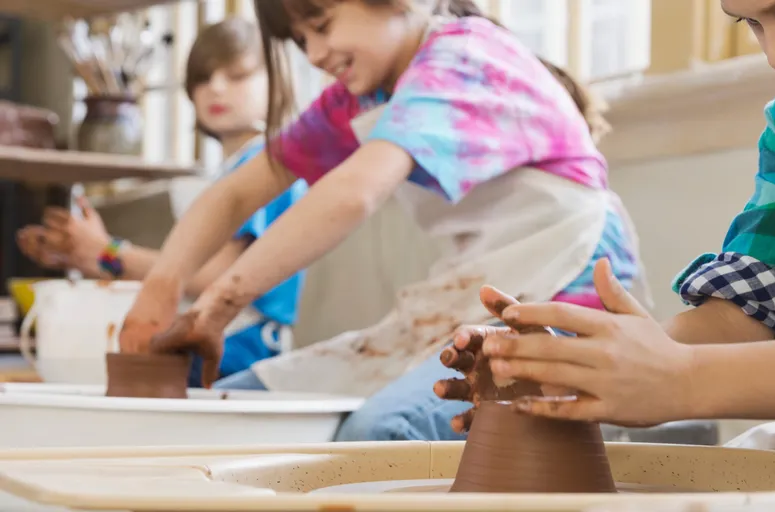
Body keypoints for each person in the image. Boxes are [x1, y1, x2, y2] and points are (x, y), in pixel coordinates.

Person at [435, 0, 775, 507]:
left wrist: (685, 380)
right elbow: (756, 296)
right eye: (751, 23)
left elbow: (687, 376)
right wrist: (596, 370)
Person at [114, 0, 650, 439]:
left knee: (379, 434)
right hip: (478, 308)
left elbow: (355, 191)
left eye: (320, 24)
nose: (316, 53)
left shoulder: (462, 56)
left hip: (566, 310)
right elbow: (237, 190)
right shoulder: (362, 98)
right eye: (301, 40)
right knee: (242, 412)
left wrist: (218, 304)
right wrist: (160, 288)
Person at [16, 18, 309, 388]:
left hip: (242, 348)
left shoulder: (267, 164)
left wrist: (107, 253)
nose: (216, 88)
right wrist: (91, 256)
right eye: (204, 78)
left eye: (237, 76)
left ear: (278, 81)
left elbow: (212, 278)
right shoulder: (230, 170)